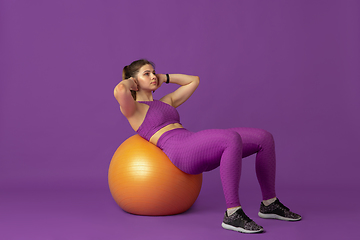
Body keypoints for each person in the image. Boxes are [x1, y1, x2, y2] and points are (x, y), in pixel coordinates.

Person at [113, 59, 301, 234]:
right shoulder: (134, 109)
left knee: (264, 138)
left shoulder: (166, 102)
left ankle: (270, 203)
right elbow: (120, 90)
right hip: (180, 150)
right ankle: (233, 213)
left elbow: (194, 81)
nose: (153, 76)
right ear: (134, 80)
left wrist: (166, 78)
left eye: (154, 72)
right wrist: (131, 82)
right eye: (147, 73)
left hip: (191, 140)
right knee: (230, 138)